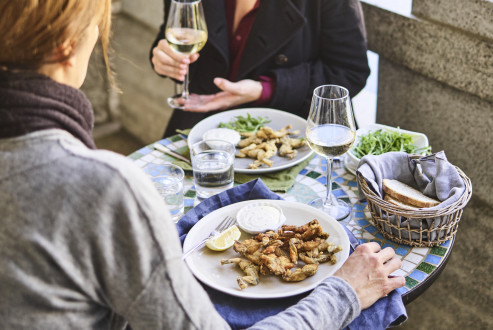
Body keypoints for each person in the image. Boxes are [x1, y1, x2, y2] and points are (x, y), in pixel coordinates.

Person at [0, 1, 403, 329]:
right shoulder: (105, 185)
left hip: (290, 141)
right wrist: (345, 290)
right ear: (67, 45)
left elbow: (350, 69)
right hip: (198, 140)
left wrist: (265, 88)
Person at [151, 0, 371, 137]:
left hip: (292, 133)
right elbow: (173, 34)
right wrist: (164, 58)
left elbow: (350, 72)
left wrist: (267, 89)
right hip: (201, 125)